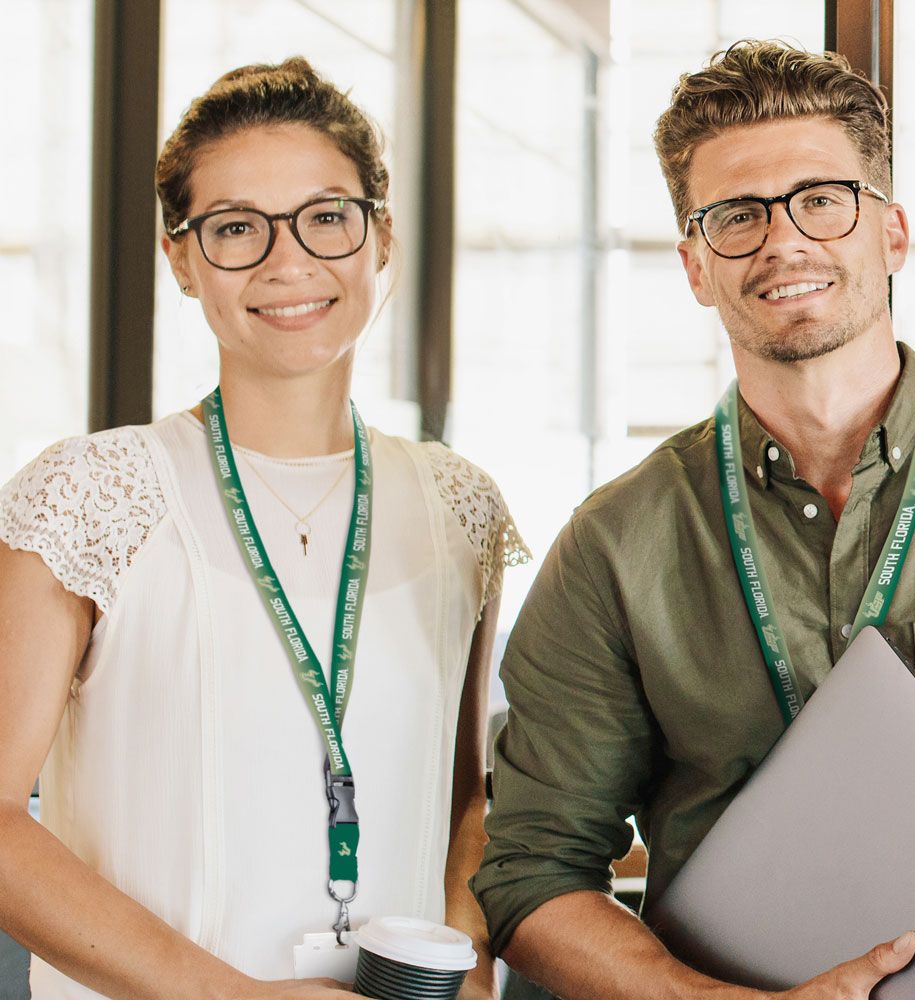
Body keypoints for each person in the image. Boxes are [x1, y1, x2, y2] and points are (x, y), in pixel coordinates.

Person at [472, 39, 915, 1000]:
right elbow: (532, 874)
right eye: (737, 216)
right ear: (693, 264)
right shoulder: (612, 546)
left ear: (892, 233)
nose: (783, 241)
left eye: (822, 199)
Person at [0, 57, 527, 999]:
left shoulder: (460, 504)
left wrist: (465, 958)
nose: (289, 262)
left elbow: (461, 800)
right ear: (182, 258)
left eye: (326, 217)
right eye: (237, 228)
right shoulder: (91, 491)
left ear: (379, 239)